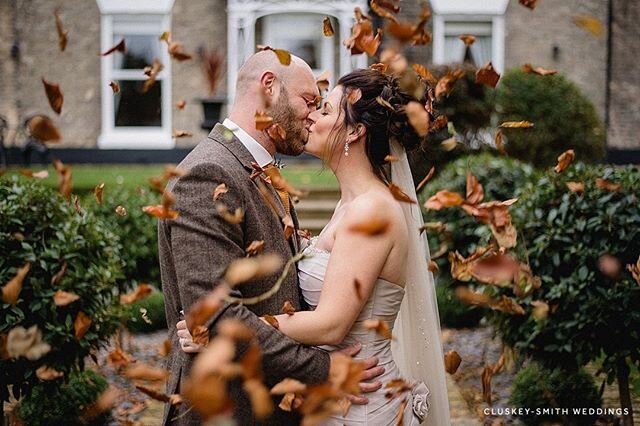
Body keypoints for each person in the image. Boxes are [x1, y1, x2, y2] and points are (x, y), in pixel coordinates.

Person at [178, 68, 451, 425]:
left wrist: (225, 331)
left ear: (355, 130)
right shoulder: (349, 205)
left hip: (362, 402)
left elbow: (331, 325)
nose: (312, 117)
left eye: (325, 110)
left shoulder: (371, 209)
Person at [159, 52, 383, 426]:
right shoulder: (209, 172)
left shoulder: (259, 168)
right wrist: (323, 366)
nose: (312, 115)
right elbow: (216, 318)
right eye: (309, 101)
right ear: (269, 86)